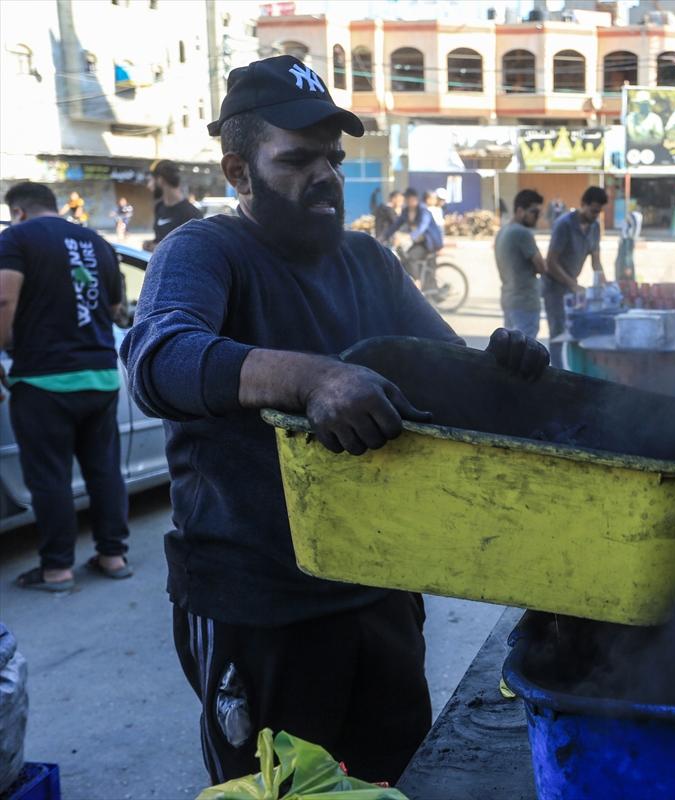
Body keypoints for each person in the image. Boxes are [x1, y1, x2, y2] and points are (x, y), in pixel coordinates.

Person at [120, 55, 548, 785]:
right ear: (239, 172)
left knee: (392, 778)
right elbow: (157, 360)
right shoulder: (205, 250)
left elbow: (447, 374)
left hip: (380, 591)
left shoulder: (368, 261)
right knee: (280, 790)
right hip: (257, 605)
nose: (325, 175)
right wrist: (312, 378)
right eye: (296, 160)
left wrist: (501, 369)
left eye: (333, 158)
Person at [0, 182, 130, 592]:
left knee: (50, 476)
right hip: (101, 377)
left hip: (43, 380)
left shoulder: (16, 238)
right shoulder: (98, 243)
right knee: (104, 470)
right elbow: (115, 309)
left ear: (18, 211)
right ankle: (113, 556)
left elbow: (3, 301)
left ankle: (57, 569)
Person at [544, 186, 607, 368]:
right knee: (557, 334)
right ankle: (557, 374)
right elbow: (551, 262)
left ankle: (573, 371)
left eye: (599, 212)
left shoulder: (595, 227)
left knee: (576, 331)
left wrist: (605, 285)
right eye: (593, 211)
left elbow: (596, 261)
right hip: (554, 287)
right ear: (583, 204)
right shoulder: (564, 224)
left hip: (572, 285)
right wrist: (572, 284)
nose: (595, 215)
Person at [495, 189, 546, 340]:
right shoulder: (523, 233)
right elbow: (542, 267)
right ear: (520, 210)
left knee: (510, 347)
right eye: (534, 212)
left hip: (509, 299)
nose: (537, 216)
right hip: (525, 302)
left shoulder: (502, 231)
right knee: (525, 348)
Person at [383, 187, 444, 277]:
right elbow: (396, 225)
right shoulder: (406, 211)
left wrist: (408, 237)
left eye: (411, 198)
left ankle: (416, 281)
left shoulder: (423, 211)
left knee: (410, 257)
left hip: (429, 243)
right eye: (407, 199)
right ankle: (411, 277)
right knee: (401, 254)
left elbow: (422, 227)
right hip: (418, 242)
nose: (409, 201)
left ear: (416, 198)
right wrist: (384, 236)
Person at [145, 160, 203, 252]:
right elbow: (160, 239)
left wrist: (160, 248)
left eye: (150, 180)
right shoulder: (159, 207)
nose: (148, 186)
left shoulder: (192, 214)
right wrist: (151, 244)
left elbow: (193, 249)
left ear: (161, 180)